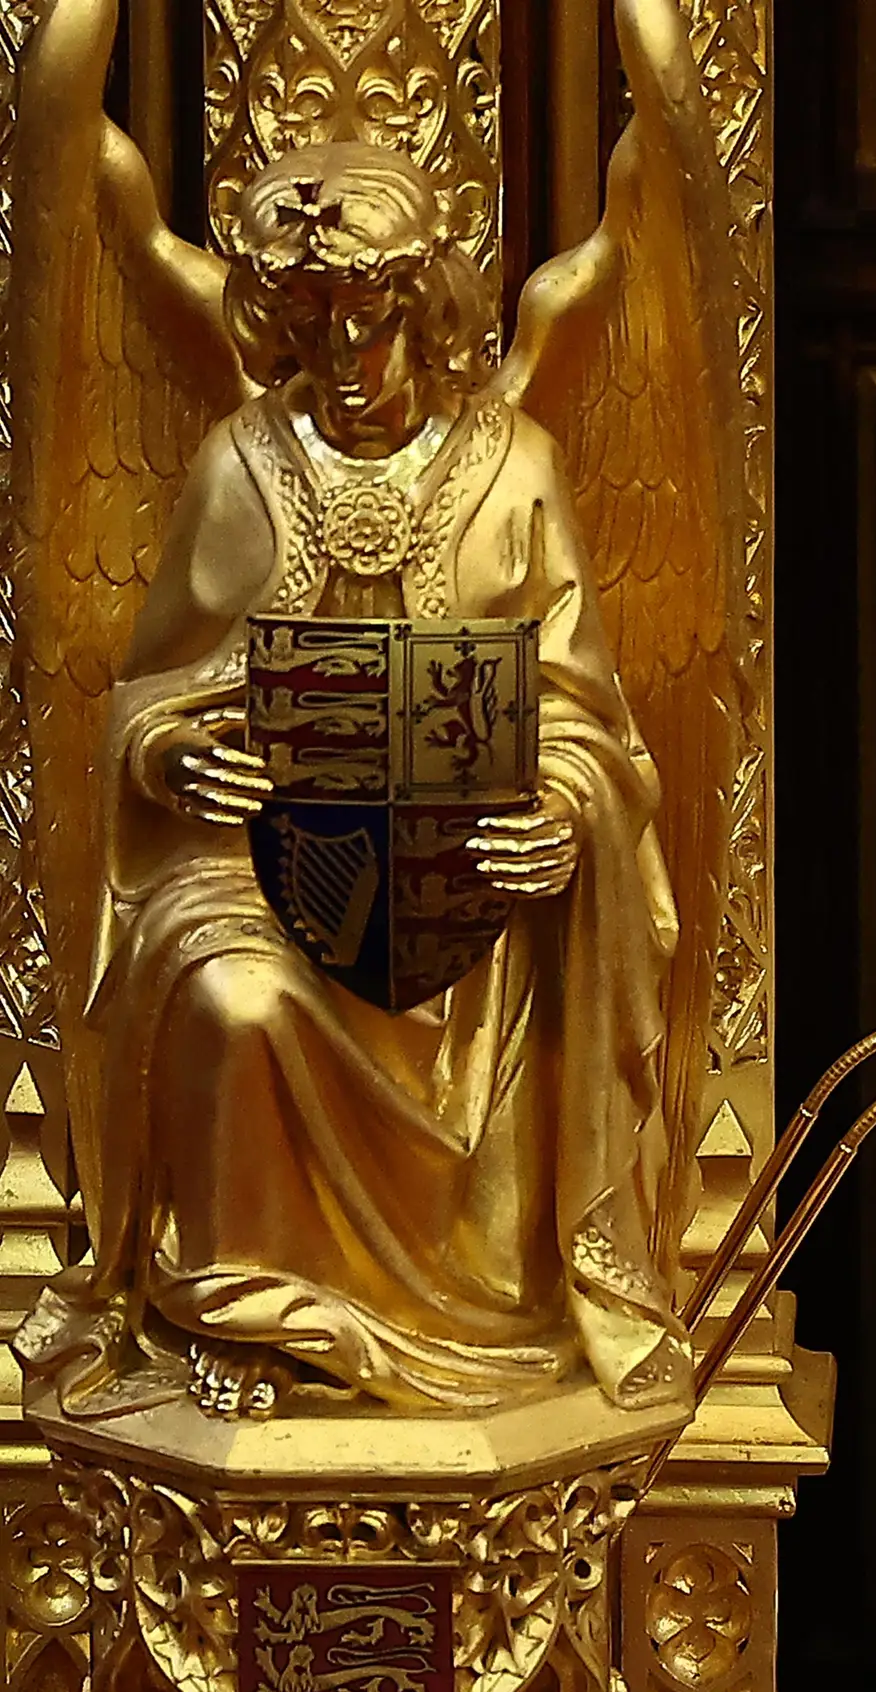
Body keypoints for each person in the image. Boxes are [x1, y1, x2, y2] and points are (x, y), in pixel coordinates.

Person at [20, 139, 687, 1421]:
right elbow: (152, 690)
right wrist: (171, 755)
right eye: (312, 326)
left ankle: (495, 1295)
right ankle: (250, 1311)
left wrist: (561, 808)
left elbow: (582, 706)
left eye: (369, 323)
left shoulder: (515, 466)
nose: (345, 362)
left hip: (468, 899)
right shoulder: (241, 463)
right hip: (260, 872)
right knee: (227, 997)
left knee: (503, 976)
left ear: (425, 312)